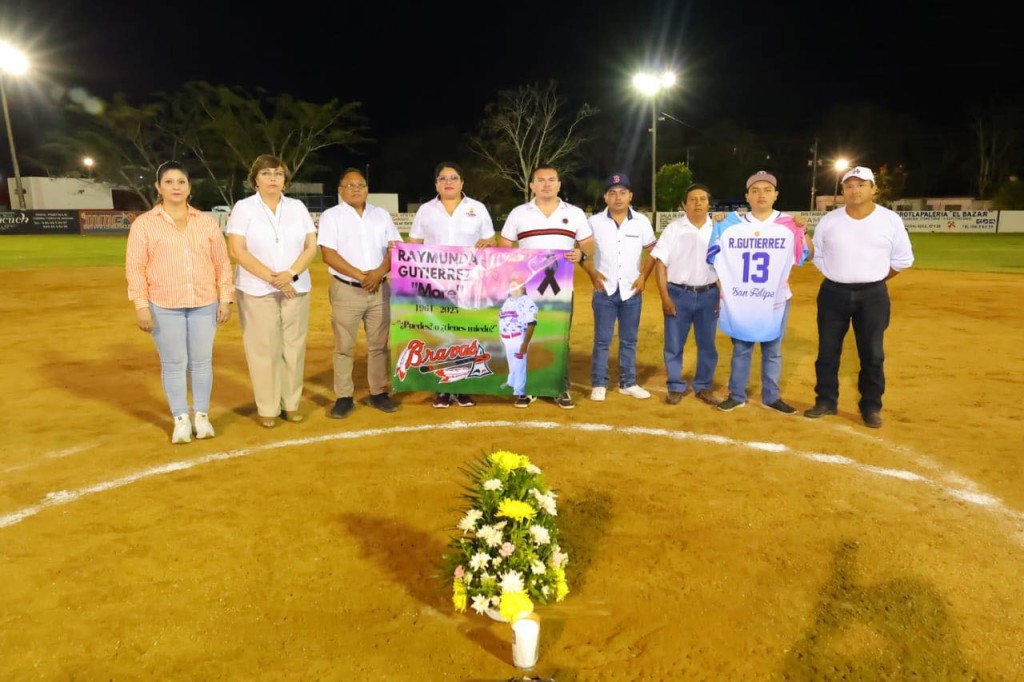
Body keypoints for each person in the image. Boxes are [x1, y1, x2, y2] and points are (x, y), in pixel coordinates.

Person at [125, 161, 234, 444]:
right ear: (158, 187)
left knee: (201, 362)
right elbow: (135, 267)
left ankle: (202, 416)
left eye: (181, 182)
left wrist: (225, 299)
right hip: (163, 305)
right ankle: (181, 419)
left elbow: (222, 263)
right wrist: (141, 305)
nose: (176, 187)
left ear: (190, 188)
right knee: (174, 363)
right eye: (169, 182)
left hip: (204, 303)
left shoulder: (206, 222)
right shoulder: (145, 224)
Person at [804, 166, 915, 428]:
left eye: (861, 184)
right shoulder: (830, 220)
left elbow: (902, 260)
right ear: (843, 191)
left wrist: (872, 278)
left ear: (873, 189)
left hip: (873, 295)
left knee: (872, 353)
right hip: (833, 293)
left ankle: (871, 407)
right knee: (828, 351)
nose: (855, 189)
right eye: (849, 185)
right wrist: (839, 275)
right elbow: (817, 255)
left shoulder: (890, 220)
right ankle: (826, 401)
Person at [226, 154, 319, 428]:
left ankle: (290, 403)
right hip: (257, 288)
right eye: (266, 174)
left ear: (285, 180)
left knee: (294, 347)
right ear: (255, 178)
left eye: (278, 174)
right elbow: (237, 250)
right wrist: (273, 278)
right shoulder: (244, 208)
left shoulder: (297, 207)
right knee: (263, 348)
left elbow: (310, 246)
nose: (273, 179)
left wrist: (290, 274)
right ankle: (267, 406)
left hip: (297, 286)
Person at [707, 171, 809, 414]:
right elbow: (713, 255)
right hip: (743, 299)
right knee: (741, 348)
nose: (761, 195)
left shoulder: (789, 225)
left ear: (775, 195)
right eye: (755, 191)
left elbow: (802, 256)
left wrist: (802, 230)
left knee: (773, 350)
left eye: (766, 190)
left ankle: (771, 397)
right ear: (747, 196)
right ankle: (736, 394)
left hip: (775, 299)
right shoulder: (729, 224)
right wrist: (719, 222)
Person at [499, 165, 594, 409]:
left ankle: (559, 388)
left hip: (560, 289)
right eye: (540, 180)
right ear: (532, 186)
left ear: (559, 185)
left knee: (559, 337)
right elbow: (505, 244)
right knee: (526, 337)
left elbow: (589, 245)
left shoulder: (574, 213)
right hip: (526, 289)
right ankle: (526, 387)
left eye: (552, 180)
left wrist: (580, 253)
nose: (546, 184)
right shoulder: (519, 213)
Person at [409, 161, 496, 409]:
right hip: (434, 285)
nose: (448, 182)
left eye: (454, 177)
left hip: (469, 283)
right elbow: (414, 243)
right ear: (436, 183)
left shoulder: (477, 208)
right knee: (440, 334)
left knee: (465, 334)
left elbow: (491, 241)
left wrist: (487, 246)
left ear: (462, 183)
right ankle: (442, 388)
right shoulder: (426, 210)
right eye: (443, 178)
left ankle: (463, 386)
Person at [317, 168, 403, 418]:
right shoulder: (331, 216)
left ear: (367, 188)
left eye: (361, 184)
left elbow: (393, 248)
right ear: (340, 190)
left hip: (379, 288)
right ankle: (344, 396)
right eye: (350, 185)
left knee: (379, 345)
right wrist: (362, 276)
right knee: (344, 345)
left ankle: (378, 392)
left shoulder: (381, 215)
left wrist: (378, 273)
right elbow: (328, 255)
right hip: (347, 290)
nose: (356, 189)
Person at [581, 172, 657, 401]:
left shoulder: (642, 222)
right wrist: (592, 274)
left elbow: (653, 251)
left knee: (629, 340)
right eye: (612, 193)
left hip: (632, 291)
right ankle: (599, 383)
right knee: (602, 340)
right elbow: (581, 254)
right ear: (605, 197)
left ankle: (628, 382)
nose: (618, 198)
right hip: (604, 291)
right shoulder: (593, 223)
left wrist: (644, 276)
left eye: (623, 193)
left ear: (630, 195)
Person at [651, 183, 722, 406]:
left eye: (702, 199)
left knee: (707, 344)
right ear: (684, 204)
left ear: (709, 203)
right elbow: (660, 264)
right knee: (673, 343)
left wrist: (723, 296)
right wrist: (665, 297)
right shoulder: (673, 229)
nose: (698, 203)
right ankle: (674, 385)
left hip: (709, 294)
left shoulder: (719, 230)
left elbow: (729, 266)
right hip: (678, 293)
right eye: (692, 199)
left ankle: (703, 385)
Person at [498, 278, 539, 407]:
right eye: (511, 287)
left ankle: (519, 392)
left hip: (518, 339)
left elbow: (531, 323)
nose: (513, 289)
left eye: (516, 287)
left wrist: (525, 344)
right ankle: (511, 382)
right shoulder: (508, 301)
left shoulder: (527, 302)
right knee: (512, 362)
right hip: (507, 338)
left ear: (522, 289)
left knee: (519, 366)